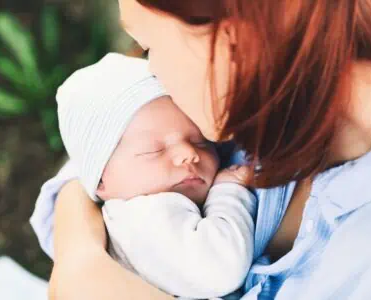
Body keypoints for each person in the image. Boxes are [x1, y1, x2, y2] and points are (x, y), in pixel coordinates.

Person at [32, 0, 371, 299]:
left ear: (230, 42)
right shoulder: (245, 104)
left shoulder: (366, 262)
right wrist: (78, 257)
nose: (149, 73)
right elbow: (100, 150)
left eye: (148, 48)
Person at [32, 53, 257, 299]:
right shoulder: (145, 215)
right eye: (154, 150)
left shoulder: (127, 194)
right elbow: (220, 269)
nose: (188, 153)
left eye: (200, 141)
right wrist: (229, 192)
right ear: (100, 182)